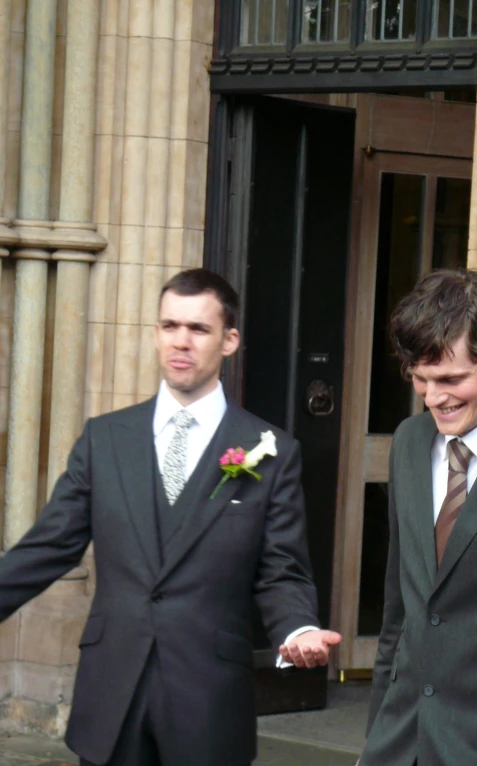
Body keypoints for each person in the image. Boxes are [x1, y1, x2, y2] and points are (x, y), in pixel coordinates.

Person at [0, 268, 341, 766]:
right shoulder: (105, 439)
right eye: (170, 326)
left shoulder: (270, 451)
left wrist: (297, 631)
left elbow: (281, 570)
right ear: (157, 333)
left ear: (229, 341)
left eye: (198, 330)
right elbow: (49, 546)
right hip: (111, 690)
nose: (181, 342)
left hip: (207, 697)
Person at [358, 268, 477, 766]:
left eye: (452, 379)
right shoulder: (410, 442)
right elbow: (401, 613)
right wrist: (376, 741)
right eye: (421, 379)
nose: (435, 397)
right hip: (400, 743)